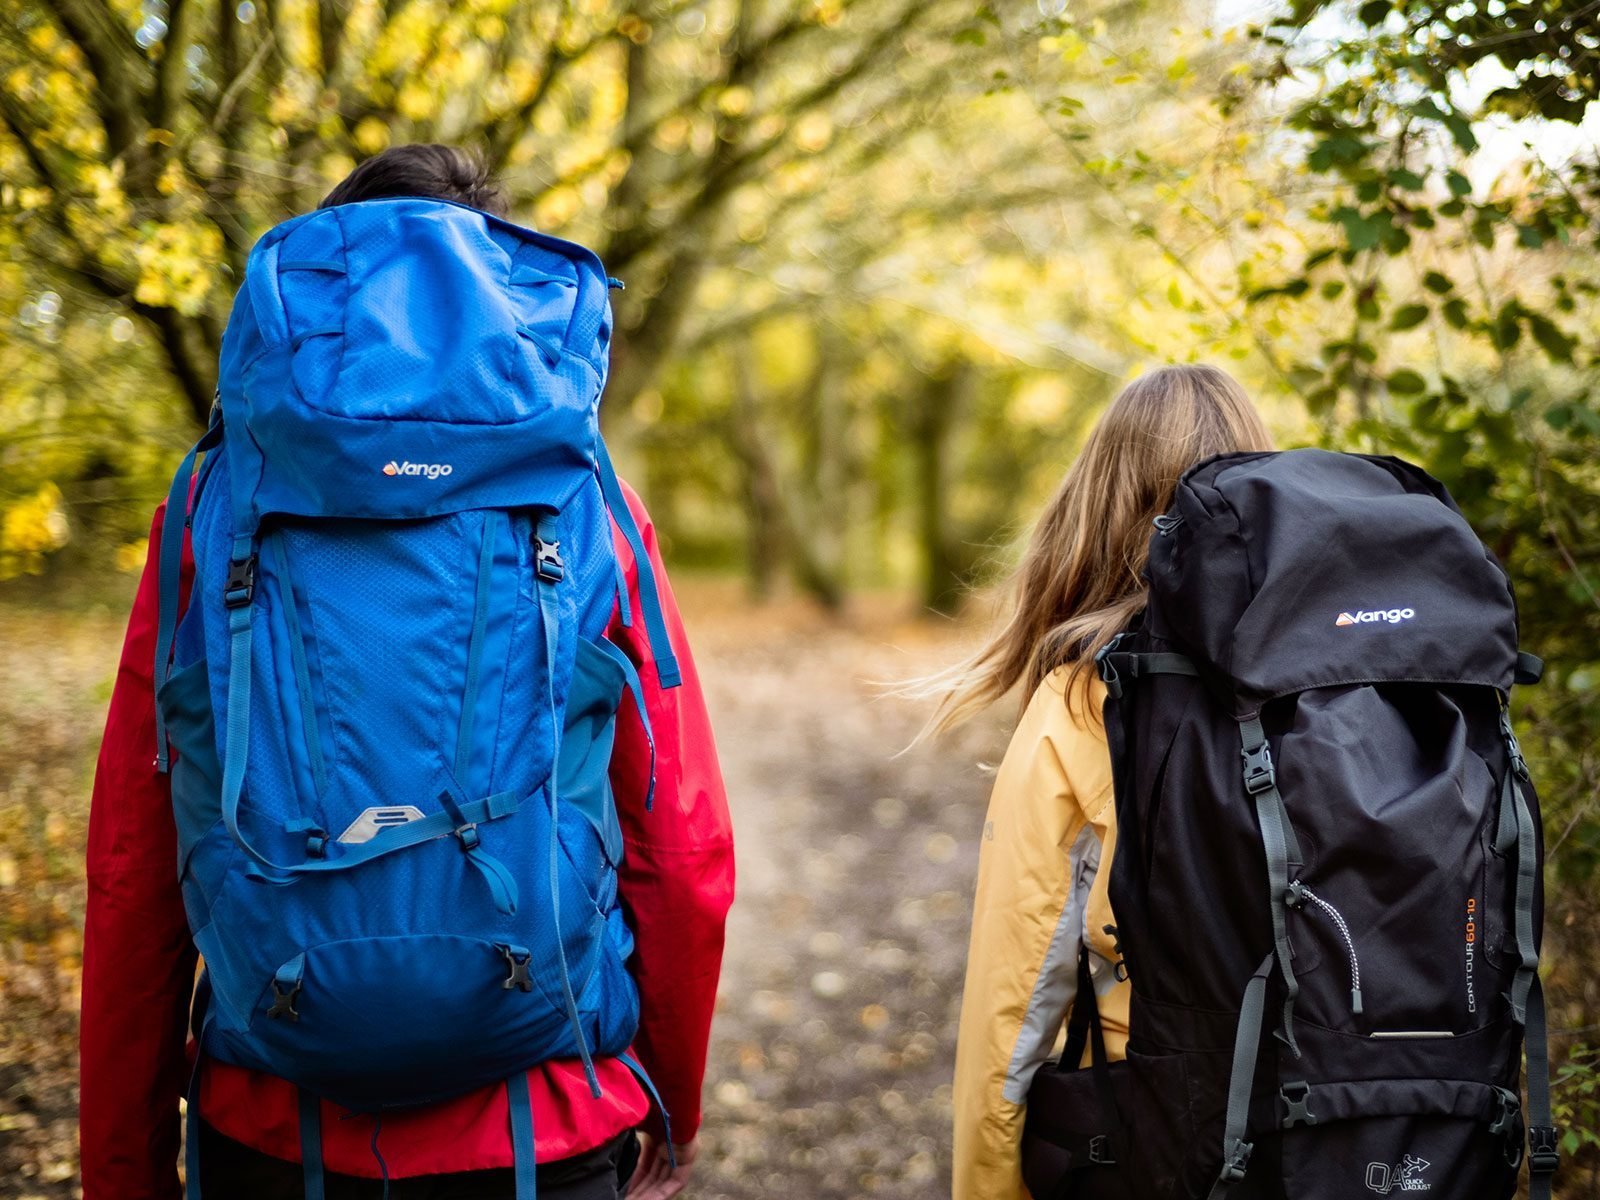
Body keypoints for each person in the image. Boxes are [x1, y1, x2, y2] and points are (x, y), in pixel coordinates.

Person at [79, 146, 735, 1200]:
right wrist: (668, 1098)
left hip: (272, 1126)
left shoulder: (209, 509)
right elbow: (683, 840)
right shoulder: (589, 504)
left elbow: (133, 862)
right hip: (548, 1117)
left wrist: (123, 1161)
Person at [922, 364, 1274, 1200]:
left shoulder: (1088, 703)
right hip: (1368, 1131)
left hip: (1161, 1139)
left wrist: (987, 1187)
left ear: (1099, 507)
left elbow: (1015, 1008)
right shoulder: (1344, 689)